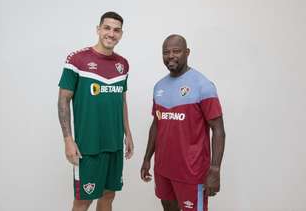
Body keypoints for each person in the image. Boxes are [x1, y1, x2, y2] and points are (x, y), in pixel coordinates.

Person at [58, 11, 134, 211]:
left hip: (114, 144)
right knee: (83, 201)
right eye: (107, 28)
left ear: (121, 34)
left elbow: (122, 101)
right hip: (87, 147)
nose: (111, 34)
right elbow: (63, 100)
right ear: (98, 29)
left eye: (116, 30)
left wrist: (128, 133)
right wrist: (68, 139)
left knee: (108, 196)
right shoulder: (77, 60)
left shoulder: (123, 64)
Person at [140, 34, 225, 211]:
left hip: (192, 172)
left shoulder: (203, 85)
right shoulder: (159, 87)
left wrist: (215, 168)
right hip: (163, 169)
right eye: (166, 52)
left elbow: (218, 129)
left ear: (187, 53)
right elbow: (156, 124)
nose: (170, 56)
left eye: (176, 51)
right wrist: (147, 158)